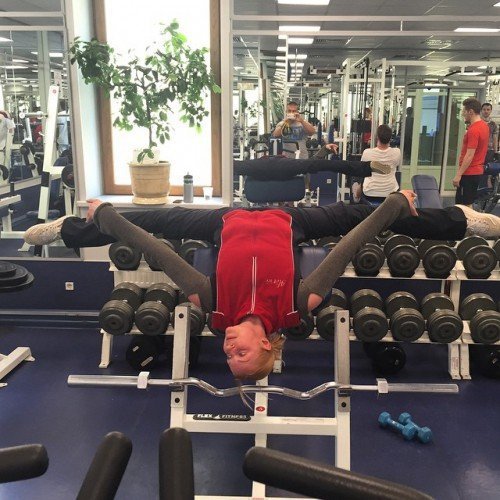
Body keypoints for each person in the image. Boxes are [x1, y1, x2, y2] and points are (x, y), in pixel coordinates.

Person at [24, 190, 500, 381]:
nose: (229, 347)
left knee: (154, 218)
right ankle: (465, 221)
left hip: (226, 221)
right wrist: (394, 204)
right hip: (289, 221)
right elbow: (351, 244)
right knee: (364, 211)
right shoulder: (298, 304)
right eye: (242, 354)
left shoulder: (213, 306)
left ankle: (67, 229)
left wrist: (107, 216)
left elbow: (161, 254)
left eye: (228, 355)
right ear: (267, 345)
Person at [453, 97, 489, 206]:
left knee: (462, 207)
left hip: (469, 173)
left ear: (471, 112)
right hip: (476, 172)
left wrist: (458, 175)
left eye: (464, 111)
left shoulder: (474, 130)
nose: (463, 114)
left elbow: (469, 155)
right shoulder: (484, 126)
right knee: (468, 204)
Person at [352, 124, 400, 204]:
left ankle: (357, 195)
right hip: (390, 193)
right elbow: (396, 164)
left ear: (377, 137)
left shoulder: (367, 153)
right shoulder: (397, 152)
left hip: (370, 193)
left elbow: (362, 170)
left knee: (356, 182)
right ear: (390, 138)